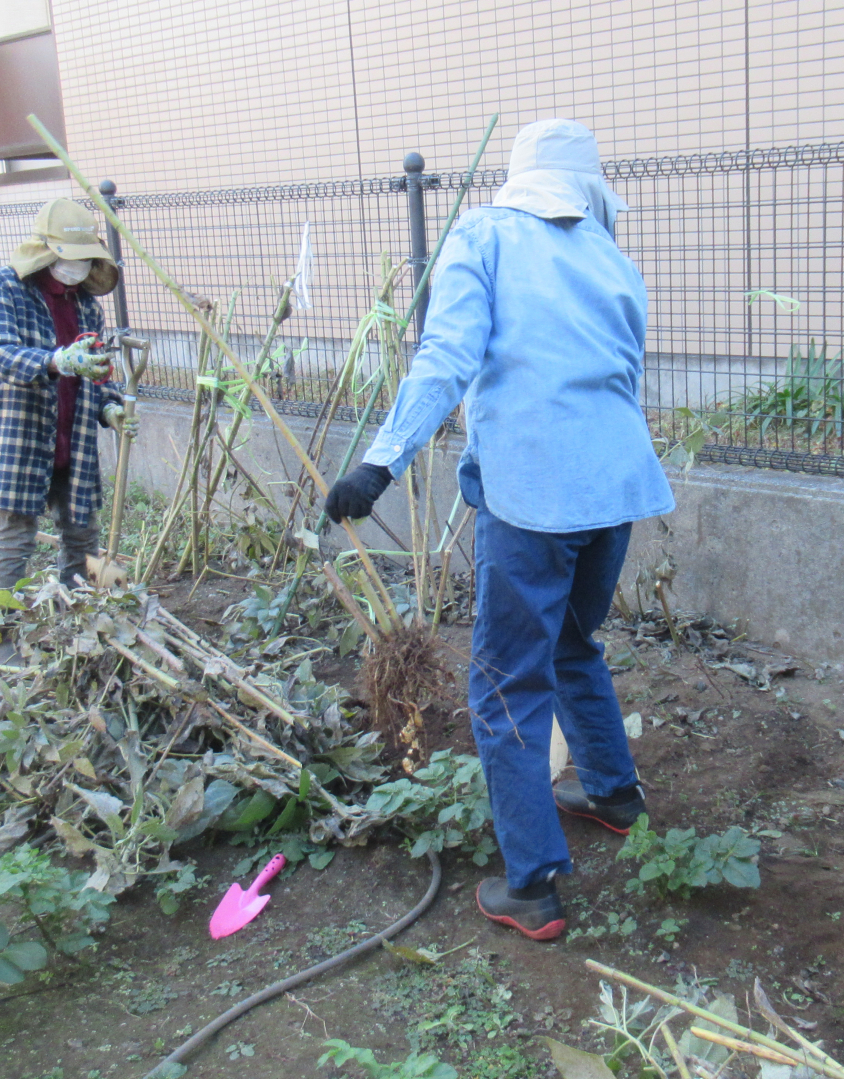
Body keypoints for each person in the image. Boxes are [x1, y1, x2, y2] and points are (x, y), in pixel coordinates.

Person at [326, 119, 674, 940]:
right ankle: (613, 793)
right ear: (585, 187)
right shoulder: (611, 256)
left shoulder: (483, 237)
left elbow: (446, 356)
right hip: (616, 487)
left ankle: (532, 883)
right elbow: (626, 374)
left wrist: (379, 463)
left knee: (506, 684)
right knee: (573, 642)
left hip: (534, 495)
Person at [0, 199, 134, 663]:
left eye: (83, 259)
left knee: (81, 533)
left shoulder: (86, 307)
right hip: (16, 434)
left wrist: (109, 409)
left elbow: (96, 373)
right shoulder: (2, 288)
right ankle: (2, 645)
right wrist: (55, 360)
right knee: (16, 536)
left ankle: (77, 632)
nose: (74, 268)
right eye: (68, 257)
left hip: (71, 436)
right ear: (45, 251)